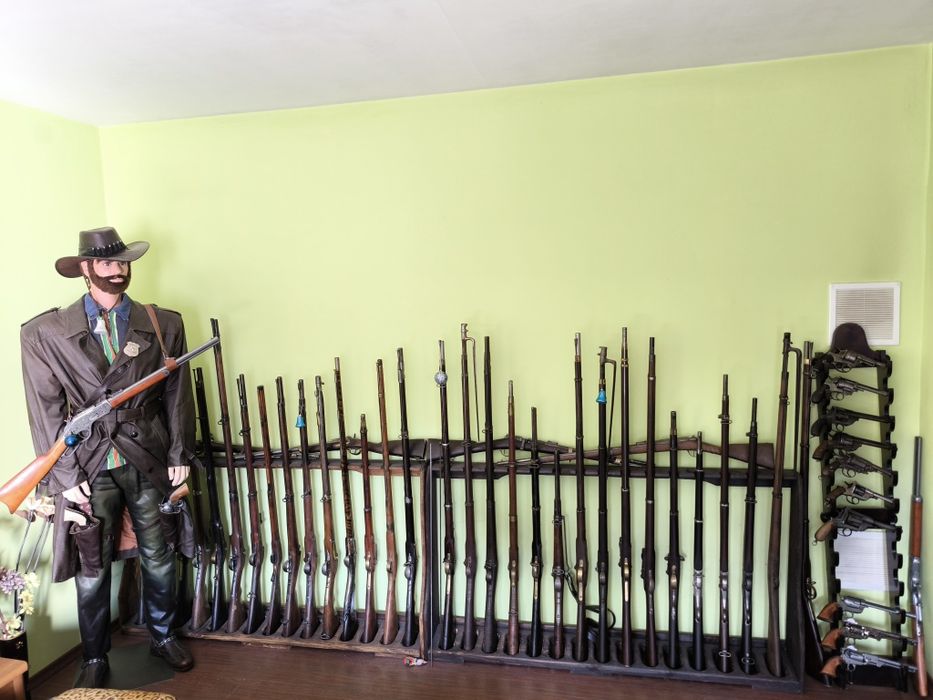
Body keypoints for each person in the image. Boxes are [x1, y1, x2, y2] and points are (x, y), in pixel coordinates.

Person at [20, 227, 196, 688]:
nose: (118, 271)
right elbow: (45, 409)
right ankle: (95, 655)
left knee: (159, 554)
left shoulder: (163, 323)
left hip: (147, 455)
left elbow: (177, 394)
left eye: (123, 262)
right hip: (88, 462)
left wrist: (179, 450)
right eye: (107, 263)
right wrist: (63, 474)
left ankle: (162, 636)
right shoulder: (45, 333)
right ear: (86, 268)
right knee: (92, 565)